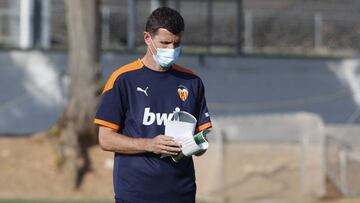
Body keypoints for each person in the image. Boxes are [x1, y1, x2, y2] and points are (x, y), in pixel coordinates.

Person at [94, 7, 212, 203]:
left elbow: (202, 143)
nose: (171, 50)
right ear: (148, 38)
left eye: (176, 44)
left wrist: (194, 145)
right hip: (136, 194)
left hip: (182, 194)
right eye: (164, 43)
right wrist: (150, 144)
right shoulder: (123, 79)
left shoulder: (192, 81)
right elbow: (105, 139)